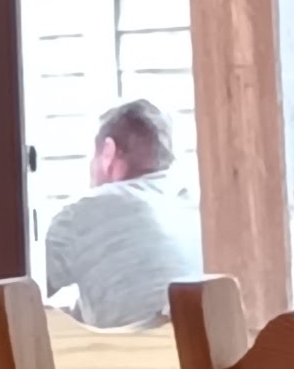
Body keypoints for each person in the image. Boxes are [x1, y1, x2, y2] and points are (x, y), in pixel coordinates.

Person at [40, 98, 201, 329]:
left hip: (128, 352)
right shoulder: (192, 205)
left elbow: (22, 288)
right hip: (197, 348)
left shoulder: (83, 213)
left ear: (108, 152)